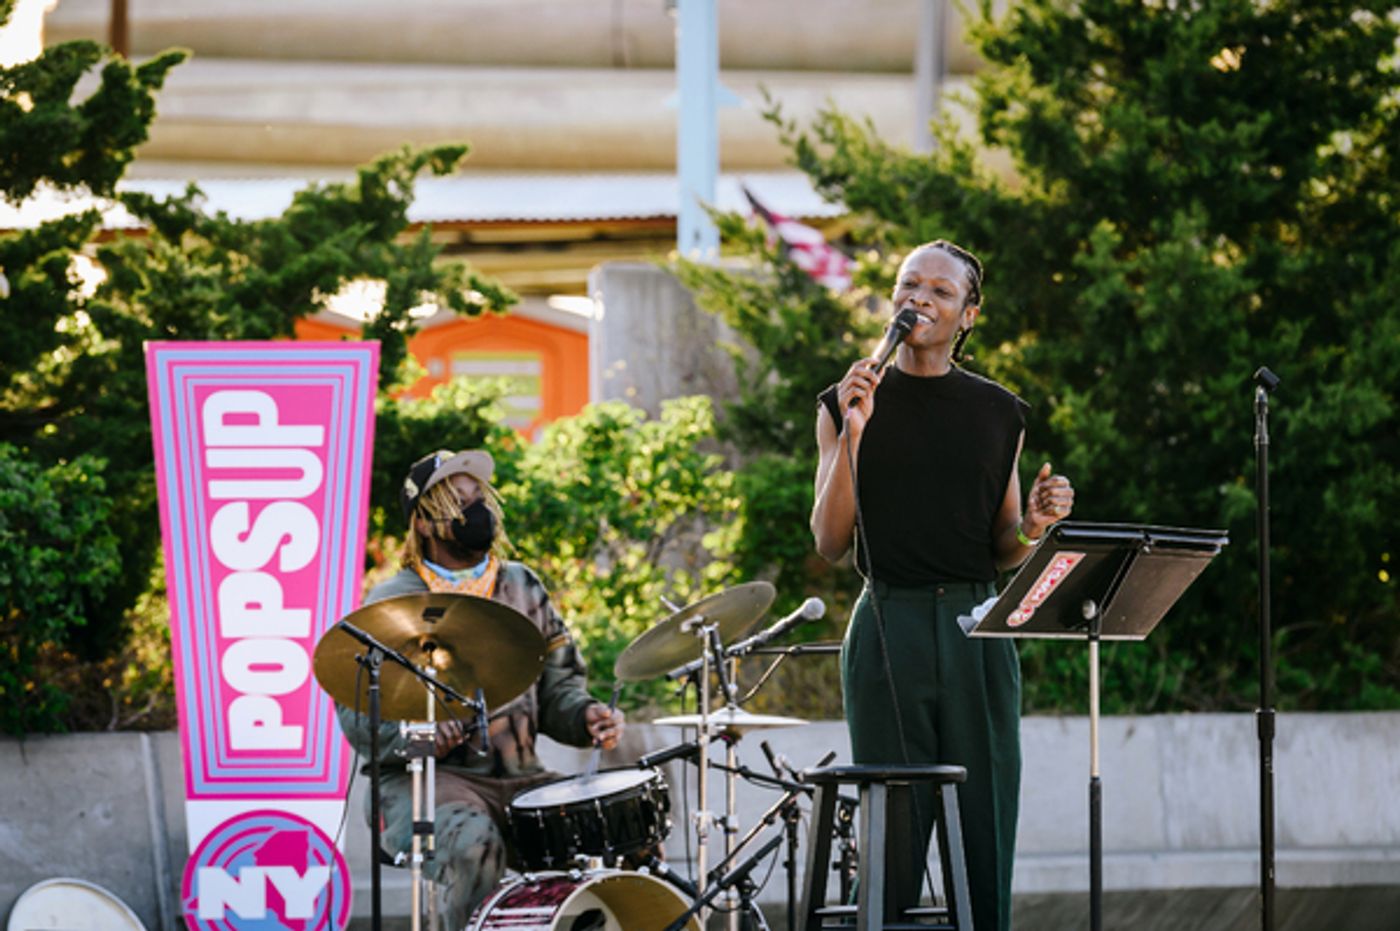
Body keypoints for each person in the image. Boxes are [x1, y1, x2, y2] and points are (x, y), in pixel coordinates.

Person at [810, 240, 1074, 931]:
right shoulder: (847, 401)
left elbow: (1003, 547)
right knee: (894, 834)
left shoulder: (998, 413)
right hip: (886, 627)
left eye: (939, 291)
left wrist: (1039, 525)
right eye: (908, 285)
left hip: (976, 625)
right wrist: (854, 434)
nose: (919, 299)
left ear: (969, 315)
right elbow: (830, 541)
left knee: (983, 822)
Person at [334, 448, 624, 929]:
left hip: (521, 776)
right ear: (424, 524)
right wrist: (421, 733)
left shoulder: (521, 586)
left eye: (480, 500)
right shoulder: (391, 603)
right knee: (474, 844)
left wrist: (585, 715)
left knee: (608, 825)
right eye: (459, 503)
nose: (478, 513)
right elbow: (360, 717)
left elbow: (559, 687)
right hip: (420, 784)